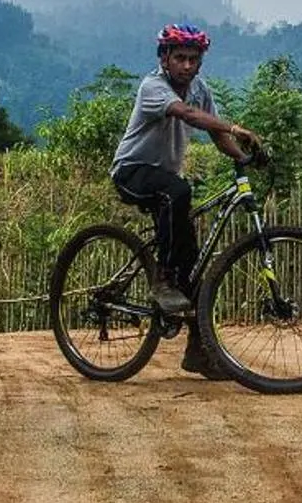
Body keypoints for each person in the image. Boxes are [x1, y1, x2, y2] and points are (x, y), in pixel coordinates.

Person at [111, 23, 263, 374]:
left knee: (194, 265)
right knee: (177, 191)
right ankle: (162, 280)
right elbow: (188, 115)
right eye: (180, 58)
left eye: (194, 59)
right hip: (133, 171)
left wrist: (244, 157)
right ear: (164, 58)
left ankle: (199, 352)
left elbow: (214, 133)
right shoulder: (153, 87)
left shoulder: (199, 89)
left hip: (164, 180)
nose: (187, 66)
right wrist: (235, 127)